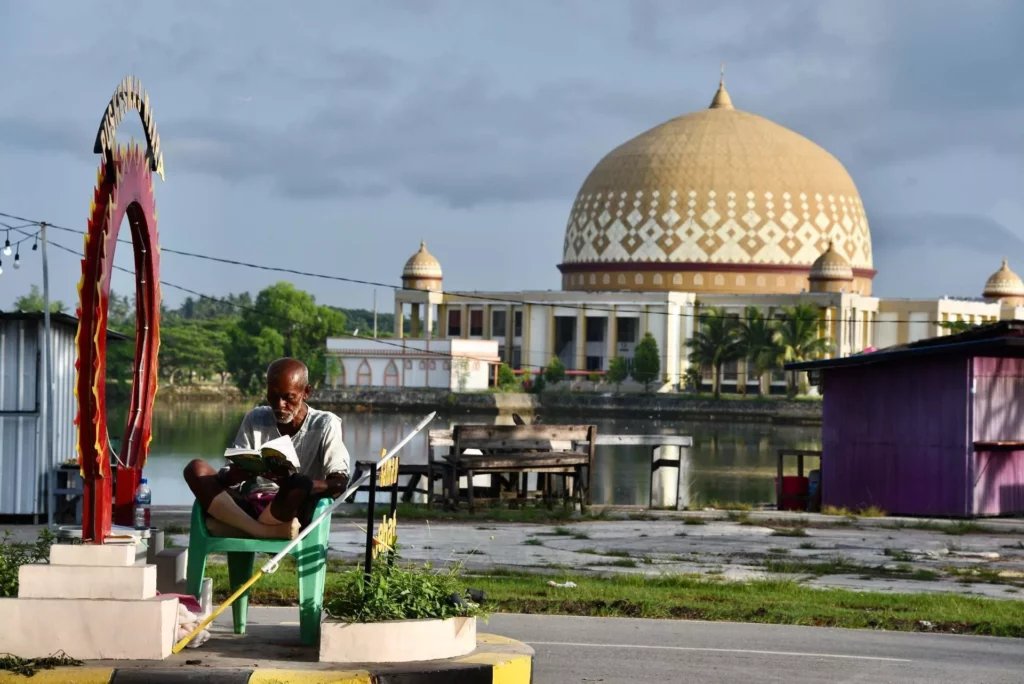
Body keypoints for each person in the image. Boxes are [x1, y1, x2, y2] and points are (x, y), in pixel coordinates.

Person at [183, 358, 351, 539]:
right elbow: (230, 478)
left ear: (306, 392)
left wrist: (300, 484)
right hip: (249, 507)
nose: (279, 406)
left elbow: (339, 483)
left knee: (299, 482)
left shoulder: (325, 424)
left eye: (289, 397)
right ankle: (262, 532)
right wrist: (237, 473)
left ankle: (246, 529)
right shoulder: (256, 418)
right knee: (195, 469)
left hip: (290, 510)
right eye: (273, 396)